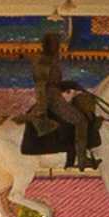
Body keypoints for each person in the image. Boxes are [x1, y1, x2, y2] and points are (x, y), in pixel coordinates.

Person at [27, 26, 104, 173]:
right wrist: (43, 108)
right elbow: (42, 86)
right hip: (52, 99)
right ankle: (81, 159)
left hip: (55, 95)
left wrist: (70, 84)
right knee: (80, 121)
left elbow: (54, 83)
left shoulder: (52, 61)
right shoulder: (43, 62)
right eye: (55, 44)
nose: (57, 48)